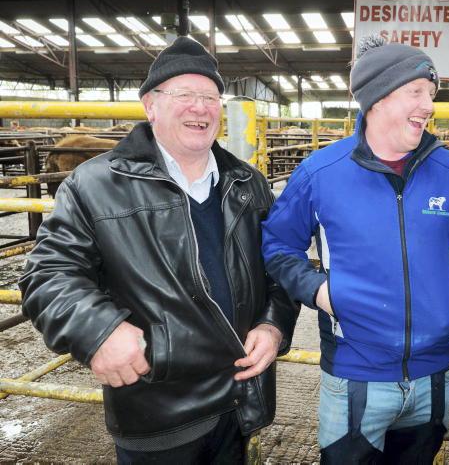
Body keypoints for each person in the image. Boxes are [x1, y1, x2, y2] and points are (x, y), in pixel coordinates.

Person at [20, 36, 299, 464]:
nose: (200, 108)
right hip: (157, 409)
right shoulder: (95, 185)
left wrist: (273, 325)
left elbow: (280, 267)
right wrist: (99, 330)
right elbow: (47, 275)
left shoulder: (248, 183)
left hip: (240, 401)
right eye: (184, 94)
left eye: (210, 97)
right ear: (150, 106)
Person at [262, 36, 449, 464]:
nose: (429, 106)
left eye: (431, 94)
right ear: (377, 97)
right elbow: (279, 243)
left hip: (433, 375)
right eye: (416, 92)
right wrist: (319, 292)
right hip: (354, 374)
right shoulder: (321, 172)